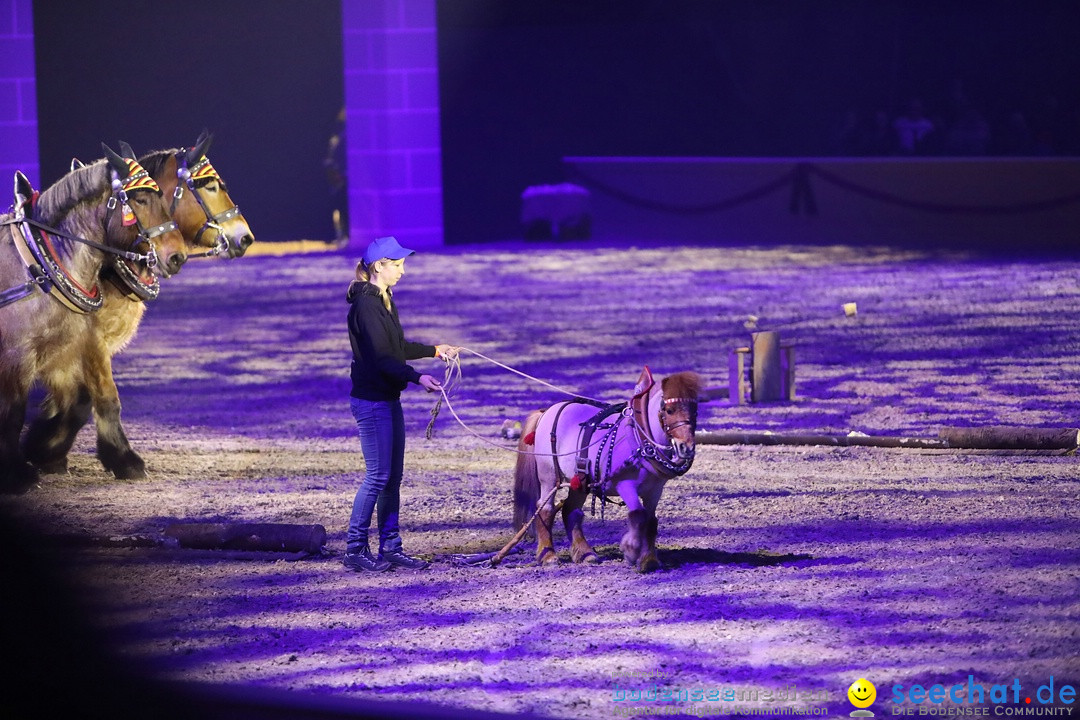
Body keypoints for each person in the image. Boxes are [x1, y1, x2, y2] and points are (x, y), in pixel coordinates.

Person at [344, 236, 458, 572]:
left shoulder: (383, 299)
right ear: (379, 266)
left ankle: (390, 546)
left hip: (386, 399)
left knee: (392, 477)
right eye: (396, 265)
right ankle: (354, 548)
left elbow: (396, 346)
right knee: (378, 476)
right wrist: (417, 377)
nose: (402, 271)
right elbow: (382, 359)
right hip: (373, 402)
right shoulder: (366, 306)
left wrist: (434, 350)